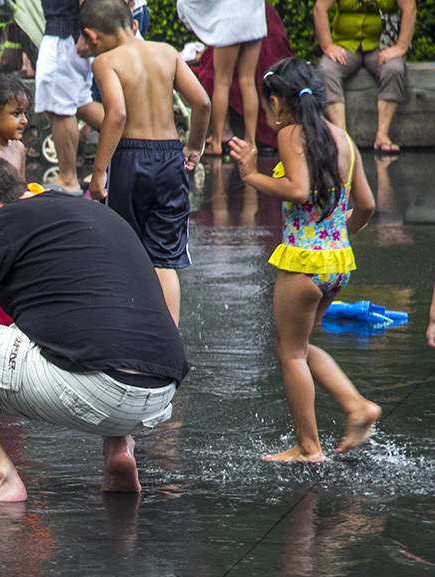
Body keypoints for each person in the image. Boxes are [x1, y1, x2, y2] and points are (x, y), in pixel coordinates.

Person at [0, 155, 188, 501]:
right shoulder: (90, 212)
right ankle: (118, 450)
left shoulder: (5, 219)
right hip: (160, 393)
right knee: (91, 320)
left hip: (101, 390)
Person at [228, 58, 379, 463]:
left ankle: (309, 447)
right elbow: (366, 204)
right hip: (336, 263)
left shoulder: (291, 134)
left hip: (303, 264)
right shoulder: (342, 138)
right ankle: (357, 407)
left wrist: (250, 175)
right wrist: (340, 236)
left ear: (278, 102)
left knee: (290, 353)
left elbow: (297, 189)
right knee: (300, 346)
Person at [80, 0, 210, 326]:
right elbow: (202, 102)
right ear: (134, 24)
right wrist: (194, 144)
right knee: (164, 259)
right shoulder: (166, 52)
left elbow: (117, 114)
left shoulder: (105, 61)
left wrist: (98, 173)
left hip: (129, 159)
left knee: (127, 250)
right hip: (170, 156)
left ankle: (133, 333)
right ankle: (170, 341)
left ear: (91, 36)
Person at [314, 0, 416, 153]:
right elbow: (319, 8)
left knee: (394, 69)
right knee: (327, 69)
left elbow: (410, 8)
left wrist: (400, 47)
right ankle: (342, 139)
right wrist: (328, 46)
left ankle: (382, 135)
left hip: (381, 47)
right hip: (346, 46)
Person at [175, 0, 265, 155]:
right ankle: (250, 143)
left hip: (228, 21)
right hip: (254, 20)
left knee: (222, 82)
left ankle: (216, 142)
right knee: (248, 82)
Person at [34, 0, 103, 194]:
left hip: (64, 37)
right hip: (66, 36)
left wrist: (83, 33)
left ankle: (67, 178)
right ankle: (129, 134)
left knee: (61, 109)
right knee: (80, 104)